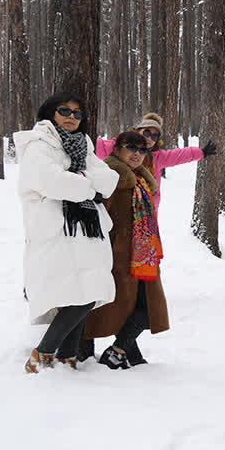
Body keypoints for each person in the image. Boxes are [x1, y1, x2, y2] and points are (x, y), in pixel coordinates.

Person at [14, 92, 119, 373]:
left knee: (86, 291)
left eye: (78, 113)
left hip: (87, 230)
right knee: (77, 294)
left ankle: (67, 357)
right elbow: (53, 182)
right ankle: (43, 354)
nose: (72, 117)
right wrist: (87, 184)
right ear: (50, 114)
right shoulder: (38, 145)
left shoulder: (84, 145)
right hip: (56, 232)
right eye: (65, 111)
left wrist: (79, 182)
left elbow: (110, 180)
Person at [83, 131, 172, 369]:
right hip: (117, 258)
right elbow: (97, 219)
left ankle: (120, 350)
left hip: (143, 256)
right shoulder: (109, 179)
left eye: (143, 150)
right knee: (126, 307)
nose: (137, 154)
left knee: (145, 307)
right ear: (117, 149)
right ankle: (116, 352)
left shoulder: (141, 179)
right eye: (131, 147)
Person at [95, 112, 216, 214]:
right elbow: (98, 145)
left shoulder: (158, 157)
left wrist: (201, 152)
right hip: (119, 208)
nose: (149, 138)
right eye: (147, 133)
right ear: (138, 130)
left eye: (154, 136)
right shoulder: (121, 146)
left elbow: (180, 155)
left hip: (146, 212)